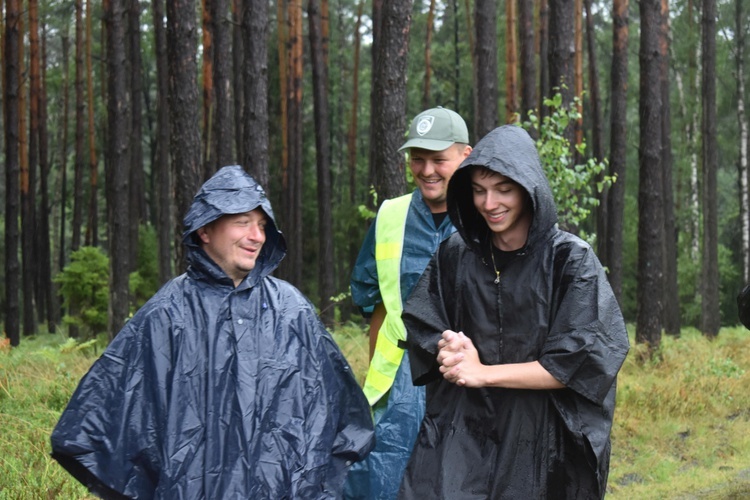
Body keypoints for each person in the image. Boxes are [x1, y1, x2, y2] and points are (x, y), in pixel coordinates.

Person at [51, 165, 375, 499]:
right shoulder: (167, 314)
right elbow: (99, 422)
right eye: (242, 222)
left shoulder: (292, 310)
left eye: (262, 225)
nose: (257, 236)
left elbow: (344, 417)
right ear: (205, 230)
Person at [399, 125, 630, 499]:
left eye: (504, 190)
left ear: (528, 188)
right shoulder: (456, 254)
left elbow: (578, 363)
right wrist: (448, 346)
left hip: (542, 444)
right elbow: (425, 322)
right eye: (478, 190)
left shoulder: (569, 261)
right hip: (465, 433)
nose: (489, 204)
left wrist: (483, 373)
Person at [345, 107, 472, 499]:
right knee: (384, 480)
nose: (427, 170)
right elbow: (376, 305)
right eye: (418, 158)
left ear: (465, 156)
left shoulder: (483, 218)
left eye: (439, 159)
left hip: (466, 378)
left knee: (458, 478)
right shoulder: (390, 216)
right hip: (399, 381)